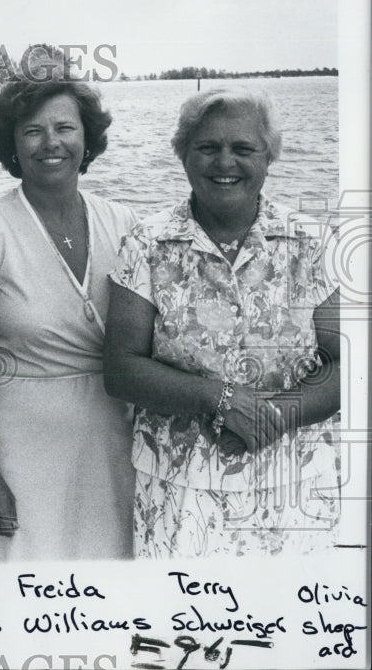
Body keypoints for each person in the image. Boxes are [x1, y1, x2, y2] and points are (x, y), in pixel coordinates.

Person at [104, 87, 340, 558]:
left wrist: (271, 415)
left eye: (243, 148)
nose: (224, 162)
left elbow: (345, 366)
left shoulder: (312, 242)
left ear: (269, 156)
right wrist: (218, 398)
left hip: (293, 487)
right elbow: (121, 369)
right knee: (181, 625)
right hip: (178, 490)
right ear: (183, 156)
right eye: (207, 147)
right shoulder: (145, 244)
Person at [0, 79, 138, 561]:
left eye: (65, 127)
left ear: (87, 140)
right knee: (21, 586)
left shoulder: (124, 222)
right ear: (12, 145)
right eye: (32, 131)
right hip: (20, 444)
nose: (51, 143)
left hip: (112, 435)